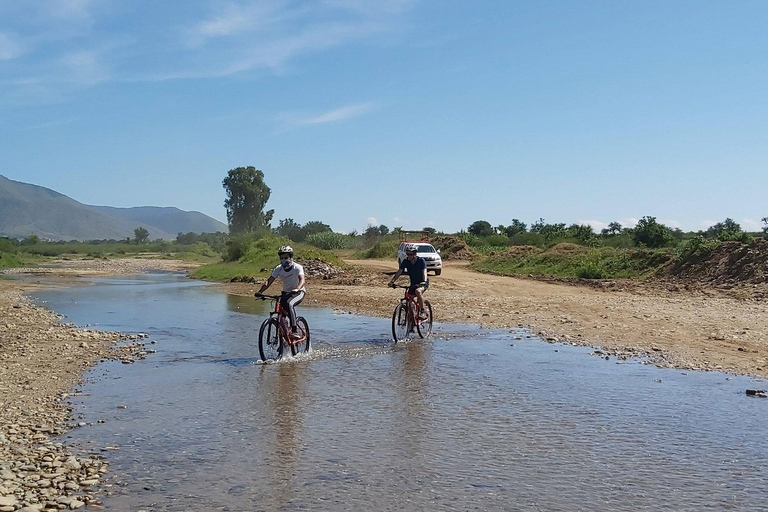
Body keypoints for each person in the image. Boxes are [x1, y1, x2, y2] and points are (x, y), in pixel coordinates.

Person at [255, 245, 306, 340]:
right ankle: (284, 337)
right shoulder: (278, 268)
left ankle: (294, 331)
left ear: (291, 257)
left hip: (298, 293)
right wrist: (260, 291)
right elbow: (269, 281)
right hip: (286, 293)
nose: (284, 260)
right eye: (281, 258)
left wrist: (297, 288)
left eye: (286, 258)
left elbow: (302, 280)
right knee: (280, 312)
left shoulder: (297, 267)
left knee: (290, 304)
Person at [388, 243, 429, 320]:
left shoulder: (421, 261)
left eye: (411, 254)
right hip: (413, 284)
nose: (409, 256)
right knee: (409, 300)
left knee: (418, 291)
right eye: (407, 254)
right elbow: (399, 272)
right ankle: (411, 321)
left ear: (415, 254)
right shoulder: (406, 261)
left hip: (422, 283)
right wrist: (392, 281)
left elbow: (424, 272)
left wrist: (424, 281)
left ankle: (423, 311)